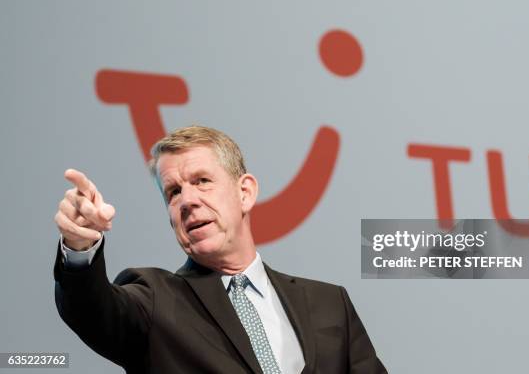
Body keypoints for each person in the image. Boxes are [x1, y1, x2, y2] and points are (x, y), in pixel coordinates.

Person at [53, 126, 386, 374]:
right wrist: (81, 246)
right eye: (172, 192)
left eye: (201, 181)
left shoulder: (329, 303)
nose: (187, 201)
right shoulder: (156, 300)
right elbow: (92, 310)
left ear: (245, 192)